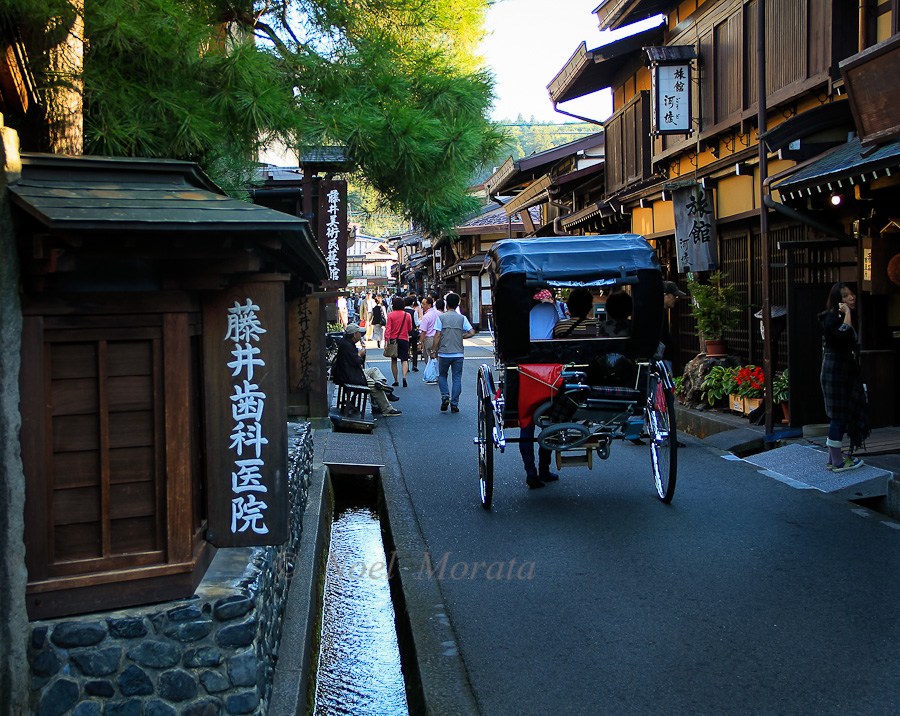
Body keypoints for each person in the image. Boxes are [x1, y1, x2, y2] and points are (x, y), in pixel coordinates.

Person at [819, 281, 869, 472]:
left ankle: (833, 459)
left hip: (841, 369)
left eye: (852, 294)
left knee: (838, 415)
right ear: (839, 301)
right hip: (835, 371)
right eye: (846, 296)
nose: (852, 297)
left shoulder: (835, 317)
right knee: (838, 416)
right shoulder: (832, 318)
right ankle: (838, 462)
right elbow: (843, 335)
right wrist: (848, 313)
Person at [330, 324, 401, 416]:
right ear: (355, 334)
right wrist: (361, 353)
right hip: (350, 374)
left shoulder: (347, 343)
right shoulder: (347, 346)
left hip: (350, 371)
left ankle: (382, 384)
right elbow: (356, 362)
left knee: (374, 370)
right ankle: (387, 409)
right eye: (359, 333)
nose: (361, 335)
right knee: (374, 386)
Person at [431, 292, 475, 413]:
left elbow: (437, 335)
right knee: (457, 378)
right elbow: (471, 332)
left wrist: (433, 350)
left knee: (442, 375)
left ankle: (445, 396)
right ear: (457, 304)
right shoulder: (462, 318)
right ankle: (454, 403)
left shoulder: (441, 318)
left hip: (444, 352)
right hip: (458, 353)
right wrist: (462, 337)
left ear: (446, 304)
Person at [385, 296, 413, 387]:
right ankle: (404, 377)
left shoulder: (390, 315)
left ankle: (396, 380)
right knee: (404, 359)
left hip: (393, 340)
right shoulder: (407, 315)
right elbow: (410, 328)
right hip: (404, 339)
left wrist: (386, 341)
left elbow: (388, 329)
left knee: (394, 360)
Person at [418, 296, 440, 373]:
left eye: (424, 304)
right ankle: (438, 373)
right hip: (439, 338)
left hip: (429, 339)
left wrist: (420, 342)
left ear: (429, 305)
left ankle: (432, 374)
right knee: (437, 357)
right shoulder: (439, 313)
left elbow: (423, 331)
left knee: (429, 358)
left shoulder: (426, 316)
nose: (422, 306)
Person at [404, 296, 421, 372]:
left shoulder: (402, 312)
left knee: (406, 349)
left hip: (404, 333)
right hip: (413, 332)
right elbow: (417, 323)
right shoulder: (414, 312)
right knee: (414, 349)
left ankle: (406, 366)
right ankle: (414, 365)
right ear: (413, 303)